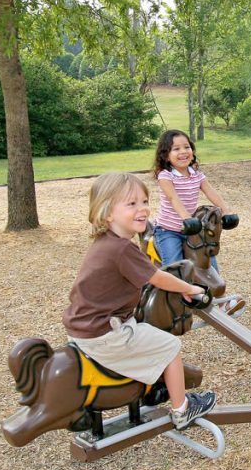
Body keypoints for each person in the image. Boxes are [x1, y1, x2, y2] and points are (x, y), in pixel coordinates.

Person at [63, 172, 216, 430]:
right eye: (131, 204)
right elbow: (157, 278)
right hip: (105, 333)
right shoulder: (122, 249)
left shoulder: (106, 242)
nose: (143, 209)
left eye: (144, 201)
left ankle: (148, 388)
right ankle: (182, 410)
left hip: (83, 328)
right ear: (107, 212)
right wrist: (189, 287)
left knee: (145, 327)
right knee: (169, 346)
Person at [152, 130, 232, 266]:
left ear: (192, 150)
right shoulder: (165, 176)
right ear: (166, 156)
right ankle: (171, 285)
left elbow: (211, 192)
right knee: (174, 265)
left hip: (192, 229)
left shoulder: (196, 174)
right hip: (169, 230)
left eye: (187, 147)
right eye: (176, 149)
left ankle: (211, 287)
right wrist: (186, 218)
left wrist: (226, 211)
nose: (183, 151)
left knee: (208, 261)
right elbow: (173, 198)